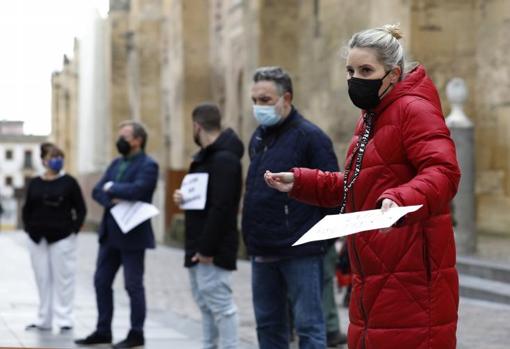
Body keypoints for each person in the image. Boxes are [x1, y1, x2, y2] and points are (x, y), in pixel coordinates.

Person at [264, 24, 461, 349]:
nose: (355, 79)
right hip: (372, 272)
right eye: (350, 70)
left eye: (366, 70)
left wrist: (400, 199)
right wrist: (301, 181)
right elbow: (360, 185)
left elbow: (444, 171)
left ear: (393, 74)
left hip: (411, 272)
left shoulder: (414, 109)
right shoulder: (373, 115)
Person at [242, 66, 340, 349]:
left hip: (301, 250)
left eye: (265, 100)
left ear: (286, 98)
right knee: (268, 325)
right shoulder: (259, 137)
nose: (258, 107)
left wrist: (321, 241)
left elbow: (333, 191)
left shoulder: (311, 137)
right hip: (263, 248)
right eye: (255, 100)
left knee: (309, 327)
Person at [75, 121, 158, 349]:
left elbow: (140, 189)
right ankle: (103, 331)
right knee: (101, 281)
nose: (120, 139)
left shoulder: (148, 164)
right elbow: (96, 190)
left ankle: (136, 333)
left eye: (125, 135)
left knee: (133, 285)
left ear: (137, 140)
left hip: (133, 234)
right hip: (110, 234)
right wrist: (111, 199)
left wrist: (111, 188)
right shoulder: (116, 163)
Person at [173, 102, 244, 349]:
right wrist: (184, 196)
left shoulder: (224, 159)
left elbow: (222, 207)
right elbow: (205, 198)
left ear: (197, 126)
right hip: (198, 243)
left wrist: (206, 250)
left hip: (212, 247)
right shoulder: (205, 158)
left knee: (222, 306)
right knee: (204, 303)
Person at [22, 143, 87, 332]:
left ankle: (65, 318)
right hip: (37, 239)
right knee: (42, 279)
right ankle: (44, 319)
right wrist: (28, 228)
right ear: (44, 160)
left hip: (62, 238)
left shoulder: (69, 182)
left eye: (60, 156)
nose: (57, 160)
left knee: (64, 279)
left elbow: (80, 209)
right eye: (53, 156)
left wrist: (73, 231)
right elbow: (27, 208)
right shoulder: (35, 183)